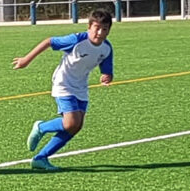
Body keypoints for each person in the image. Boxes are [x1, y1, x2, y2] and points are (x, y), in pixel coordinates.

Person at [13, 9, 114, 171]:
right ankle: (41, 127)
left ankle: (41, 158)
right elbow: (49, 41)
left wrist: (107, 76)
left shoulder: (106, 48)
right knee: (71, 123)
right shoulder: (76, 40)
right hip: (63, 83)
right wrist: (26, 60)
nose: (100, 33)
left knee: (76, 126)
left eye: (105, 29)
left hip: (81, 87)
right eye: (97, 28)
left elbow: (106, 68)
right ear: (89, 27)